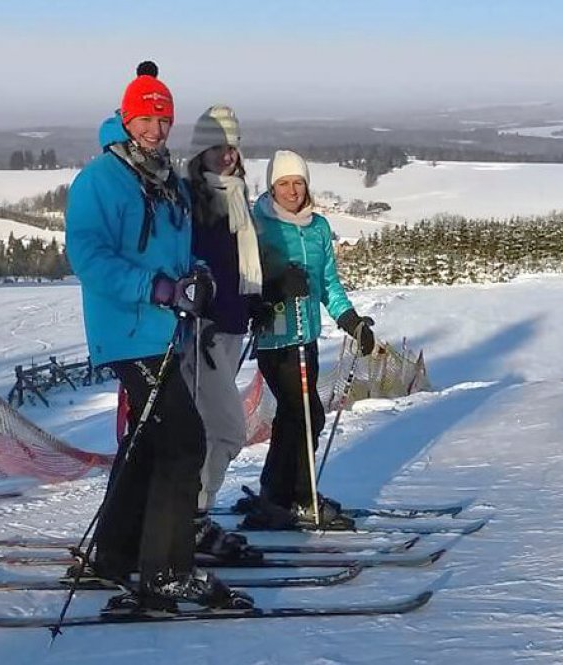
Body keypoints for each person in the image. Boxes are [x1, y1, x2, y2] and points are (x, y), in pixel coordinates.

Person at [65, 61, 251, 611]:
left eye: (163, 119)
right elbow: (88, 256)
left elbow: (179, 250)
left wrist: (198, 274)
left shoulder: (165, 178)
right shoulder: (101, 179)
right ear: (127, 118)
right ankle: (167, 571)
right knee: (183, 441)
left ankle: (114, 555)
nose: (155, 128)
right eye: (145, 117)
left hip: (164, 330)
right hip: (128, 329)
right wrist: (158, 288)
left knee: (146, 446)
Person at [240, 149, 377, 531]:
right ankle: (301, 496)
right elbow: (245, 281)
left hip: (307, 338)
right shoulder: (259, 226)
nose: (292, 190)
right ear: (271, 186)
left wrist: (351, 321)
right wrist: (276, 284)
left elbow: (328, 283)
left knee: (293, 417)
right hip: (275, 338)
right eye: (283, 183)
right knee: (305, 415)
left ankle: (274, 492)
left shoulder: (318, 228)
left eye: (298, 182)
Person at [179, 105, 265, 559]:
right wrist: (203, 316)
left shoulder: (234, 196)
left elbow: (236, 266)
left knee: (213, 431)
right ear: (199, 152)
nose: (226, 156)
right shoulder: (192, 200)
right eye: (216, 148)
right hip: (204, 334)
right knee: (226, 431)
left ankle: (193, 516)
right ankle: (190, 520)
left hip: (231, 329)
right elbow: (191, 267)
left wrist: (256, 300)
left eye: (231, 148)